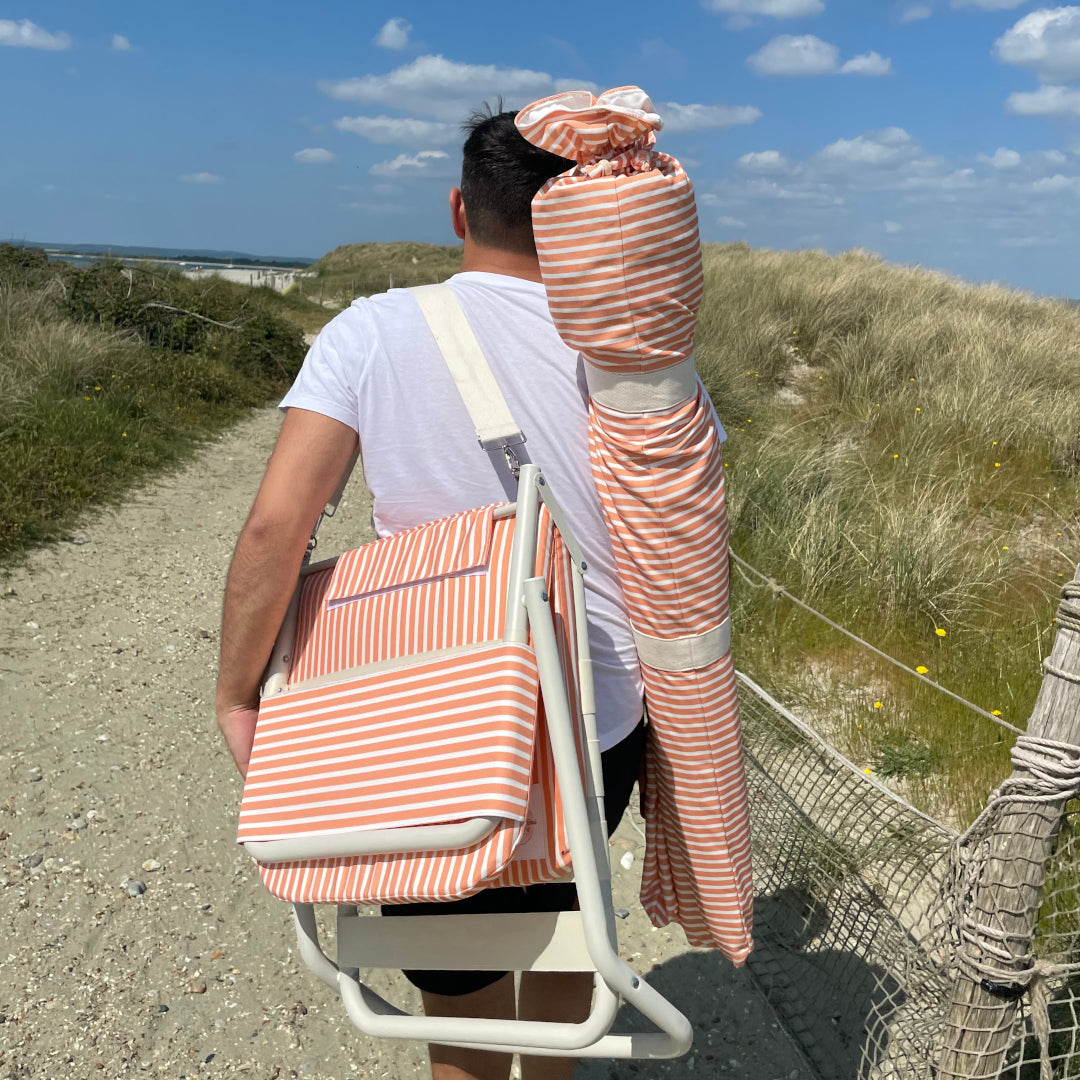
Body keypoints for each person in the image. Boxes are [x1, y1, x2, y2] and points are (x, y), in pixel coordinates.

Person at [215, 106, 646, 1080]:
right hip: (597, 709)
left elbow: (277, 528)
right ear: (574, 215)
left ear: (459, 209)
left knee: (460, 983)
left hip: (430, 714)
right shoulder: (632, 346)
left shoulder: (373, 331)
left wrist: (238, 693)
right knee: (567, 928)